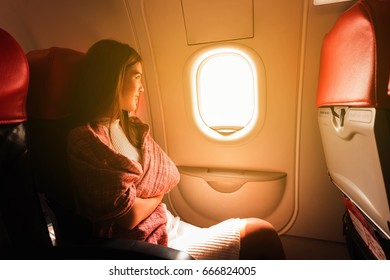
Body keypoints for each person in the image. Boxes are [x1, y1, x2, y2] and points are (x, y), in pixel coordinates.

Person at [67, 39, 286, 260]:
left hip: (167, 225)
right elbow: (129, 217)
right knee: (261, 233)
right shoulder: (85, 138)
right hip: (142, 244)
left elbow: (169, 174)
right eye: (137, 76)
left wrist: (142, 195)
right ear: (114, 78)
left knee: (260, 234)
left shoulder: (132, 128)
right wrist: (156, 194)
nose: (142, 87)